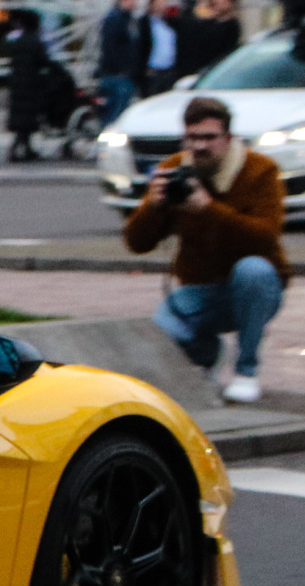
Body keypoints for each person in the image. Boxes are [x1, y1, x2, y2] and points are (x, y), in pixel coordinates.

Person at [122, 93, 288, 404]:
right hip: (200, 290)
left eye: (209, 138)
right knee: (162, 333)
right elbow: (136, 243)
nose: (200, 147)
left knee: (253, 271)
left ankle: (246, 370)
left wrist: (208, 208)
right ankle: (208, 354)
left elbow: (266, 237)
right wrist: (155, 206)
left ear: (228, 139)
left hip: (256, 287)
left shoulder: (260, 171)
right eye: (192, 138)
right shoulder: (174, 171)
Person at [3, 10, 52, 163]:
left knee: (22, 122)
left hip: (18, 85)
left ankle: (27, 148)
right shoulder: (35, 42)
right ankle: (15, 149)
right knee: (27, 122)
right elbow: (44, 61)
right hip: (31, 86)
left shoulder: (18, 42)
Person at [94, 0, 144, 125]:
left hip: (122, 74)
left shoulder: (126, 18)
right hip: (118, 75)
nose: (137, 1)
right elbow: (111, 46)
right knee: (115, 116)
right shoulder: (115, 19)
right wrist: (123, 69)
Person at [175, 0, 243, 84]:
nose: (218, 5)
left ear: (230, 3)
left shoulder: (231, 26)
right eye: (217, 1)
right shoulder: (208, 22)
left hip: (216, 71)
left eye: (222, 1)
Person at [138, 0, 180, 97]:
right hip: (153, 71)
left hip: (169, 70)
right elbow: (141, 45)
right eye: (159, 2)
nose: (162, 5)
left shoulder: (170, 23)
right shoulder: (145, 23)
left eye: (164, 2)